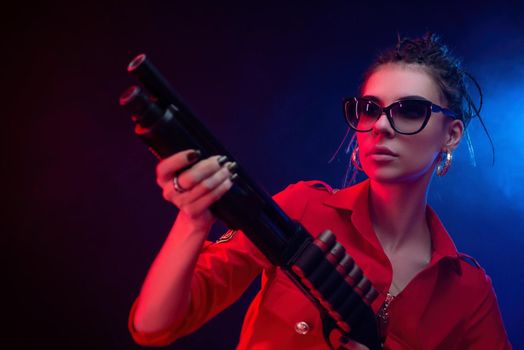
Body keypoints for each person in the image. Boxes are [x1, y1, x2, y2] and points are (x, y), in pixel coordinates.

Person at [128, 33, 511, 349]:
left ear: (452, 135)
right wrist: (194, 219)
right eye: (369, 108)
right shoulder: (304, 207)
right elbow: (154, 325)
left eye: (410, 110)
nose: (381, 126)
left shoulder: (468, 291)